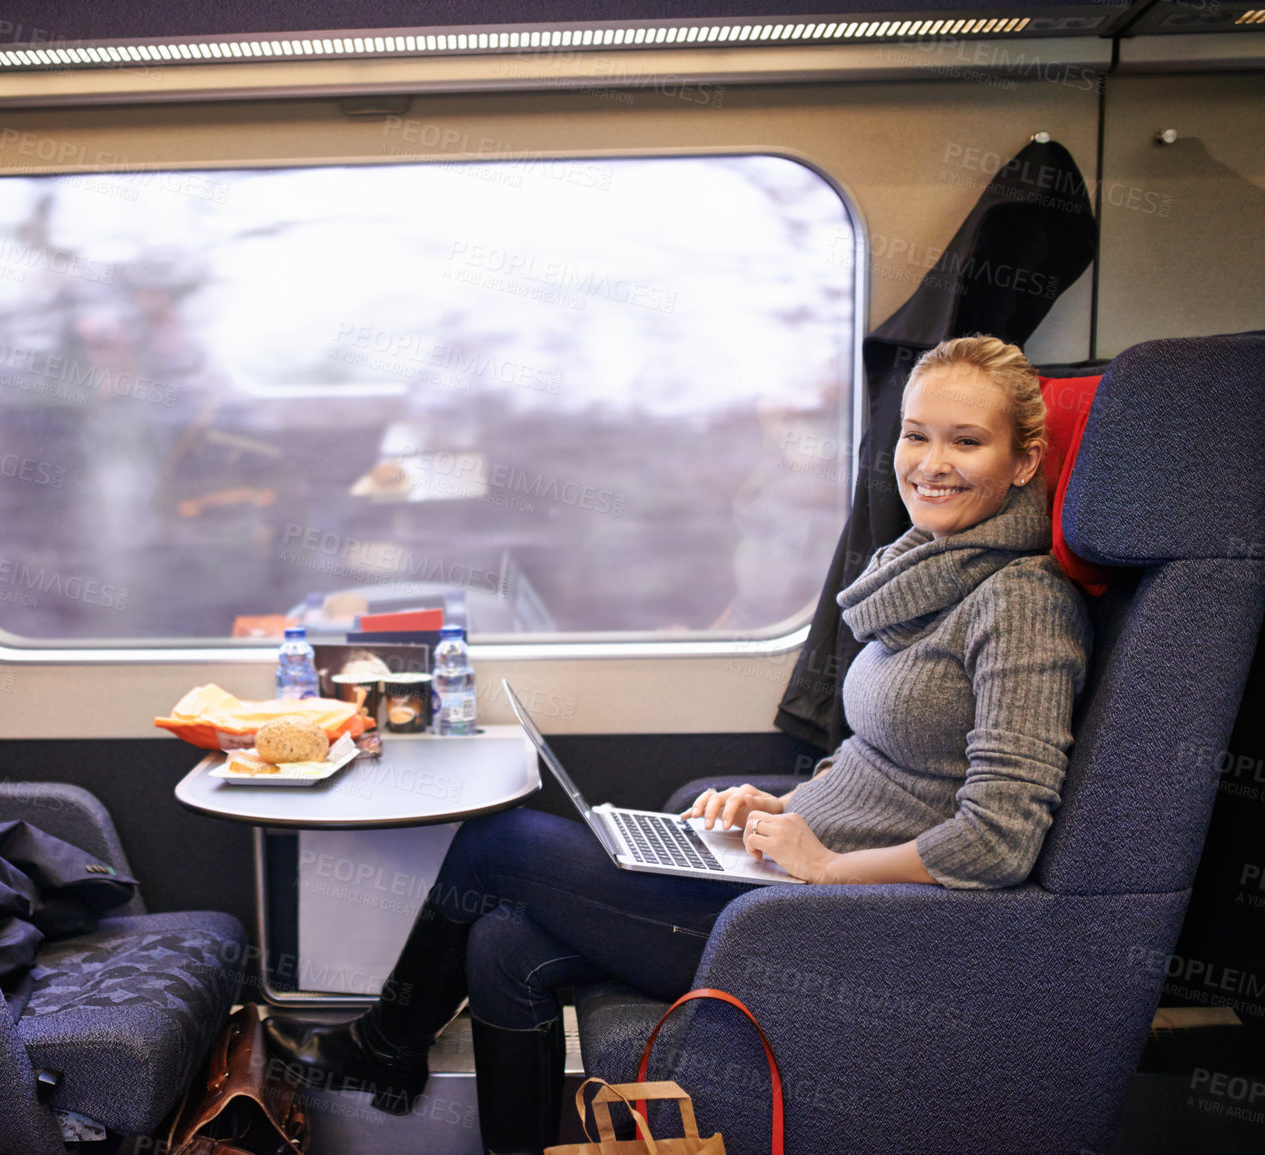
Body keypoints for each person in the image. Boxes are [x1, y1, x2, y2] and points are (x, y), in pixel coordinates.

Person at [263, 335, 1095, 1154]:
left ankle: (380, 1046)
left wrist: (824, 866)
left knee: (496, 844)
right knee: (500, 942)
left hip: (837, 926)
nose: (930, 462)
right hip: (787, 880)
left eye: (965, 440)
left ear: (1023, 463)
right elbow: (892, 764)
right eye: (916, 434)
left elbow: (999, 835)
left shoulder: (1018, 600)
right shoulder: (925, 573)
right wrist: (781, 805)